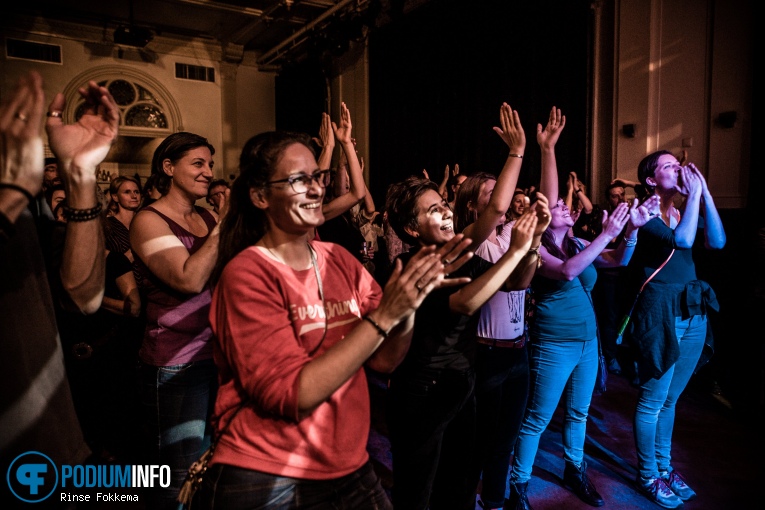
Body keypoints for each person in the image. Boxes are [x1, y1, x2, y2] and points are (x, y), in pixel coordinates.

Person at [198, 127, 471, 509]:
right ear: (261, 196)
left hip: (346, 462)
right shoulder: (247, 274)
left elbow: (384, 359)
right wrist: (384, 317)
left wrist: (407, 312)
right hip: (268, 472)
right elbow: (295, 395)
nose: (315, 190)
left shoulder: (338, 259)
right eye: (298, 180)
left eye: (316, 177)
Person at [507, 107, 654, 510]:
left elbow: (617, 261)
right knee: (537, 419)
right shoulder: (537, 250)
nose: (563, 208)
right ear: (541, 217)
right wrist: (547, 152)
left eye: (564, 207)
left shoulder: (575, 242)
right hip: (554, 345)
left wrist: (632, 234)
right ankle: (517, 484)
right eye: (555, 207)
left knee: (579, 413)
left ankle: (575, 469)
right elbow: (570, 272)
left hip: (588, 345)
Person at [384, 172, 543, 510]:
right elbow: (467, 302)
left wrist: (533, 243)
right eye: (432, 211)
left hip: (461, 384)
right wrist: (515, 251)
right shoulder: (411, 263)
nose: (444, 213)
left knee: (459, 485)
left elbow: (515, 276)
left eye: (443, 205)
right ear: (412, 229)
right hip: (422, 393)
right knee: (416, 492)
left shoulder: (459, 252)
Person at [0, 70, 118, 503]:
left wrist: (81, 175)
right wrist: (9, 196)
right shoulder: (11, 185)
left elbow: (82, 297)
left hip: (53, 451)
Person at [453, 102, 549, 510]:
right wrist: (516, 152)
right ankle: (464, 500)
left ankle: (494, 501)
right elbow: (494, 211)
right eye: (492, 192)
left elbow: (520, 282)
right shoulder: (469, 239)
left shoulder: (512, 232)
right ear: (472, 206)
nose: (504, 198)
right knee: (479, 443)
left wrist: (547, 152)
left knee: (506, 441)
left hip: (518, 352)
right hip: (486, 354)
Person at [129, 131, 226, 509]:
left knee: (205, 466)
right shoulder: (147, 220)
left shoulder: (207, 215)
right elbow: (188, 278)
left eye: (210, 165)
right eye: (198, 163)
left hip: (214, 353)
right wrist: (224, 226)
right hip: (176, 363)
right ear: (168, 168)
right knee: (176, 477)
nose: (208, 172)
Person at [628, 150, 725, 509]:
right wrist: (695, 194)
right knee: (653, 399)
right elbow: (681, 241)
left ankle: (664, 467)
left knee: (671, 398)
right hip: (661, 311)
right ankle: (648, 473)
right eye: (668, 166)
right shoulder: (646, 212)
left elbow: (716, 241)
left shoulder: (683, 210)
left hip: (692, 309)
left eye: (678, 165)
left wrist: (706, 193)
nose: (678, 170)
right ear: (651, 180)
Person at [104, 175, 140, 261]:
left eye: (136, 192)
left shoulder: (147, 222)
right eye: (127, 192)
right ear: (115, 197)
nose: (134, 196)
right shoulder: (107, 225)